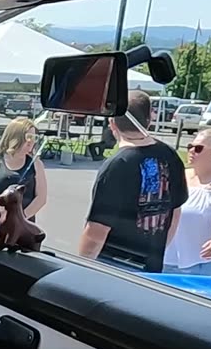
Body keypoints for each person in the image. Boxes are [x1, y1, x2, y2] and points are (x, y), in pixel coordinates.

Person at [77, 90, 188, 273]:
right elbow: (174, 214)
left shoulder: (117, 165)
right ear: (149, 119)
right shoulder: (171, 156)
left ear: (111, 122)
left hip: (112, 269)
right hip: (151, 267)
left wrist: (81, 268)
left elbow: (97, 230)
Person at [163, 129, 211, 275]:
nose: (191, 151)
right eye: (190, 147)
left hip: (198, 260)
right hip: (167, 255)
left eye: (198, 148)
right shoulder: (180, 175)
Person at [0, 117, 47, 226]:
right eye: (28, 137)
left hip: (23, 226)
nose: (31, 142)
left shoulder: (36, 164)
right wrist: (6, 211)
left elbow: (41, 198)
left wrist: (21, 217)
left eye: (34, 137)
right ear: (15, 137)